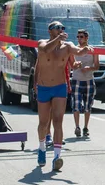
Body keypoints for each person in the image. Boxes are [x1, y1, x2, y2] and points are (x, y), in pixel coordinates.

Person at [36, 21, 92, 171]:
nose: (61, 30)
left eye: (62, 28)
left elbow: (77, 52)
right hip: (44, 87)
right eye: (57, 28)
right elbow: (46, 49)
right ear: (50, 31)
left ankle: (57, 156)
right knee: (43, 122)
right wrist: (58, 39)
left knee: (58, 121)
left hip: (60, 87)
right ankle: (41, 147)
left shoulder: (67, 46)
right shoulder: (42, 43)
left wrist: (84, 49)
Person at [71, 29, 99, 138]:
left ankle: (86, 127)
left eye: (81, 37)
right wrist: (76, 65)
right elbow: (71, 64)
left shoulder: (93, 50)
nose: (79, 39)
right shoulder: (74, 49)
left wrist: (89, 68)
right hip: (76, 79)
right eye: (78, 37)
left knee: (88, 105)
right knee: (76, 105)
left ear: (86, 38)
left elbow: (97, 66)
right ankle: (77, 126)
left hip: (88, 80)